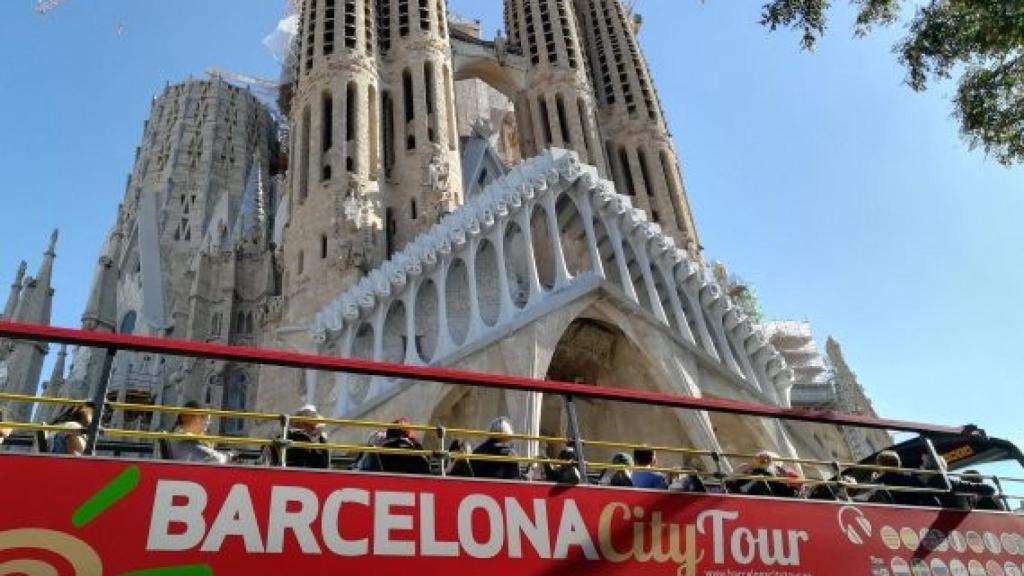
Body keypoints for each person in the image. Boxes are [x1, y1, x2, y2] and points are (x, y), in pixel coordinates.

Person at [866, 450, 938, 507]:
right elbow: (934, 502)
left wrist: (874, 481)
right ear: (898, 465)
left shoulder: (877, 484)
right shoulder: (913, 480)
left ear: (880, 466)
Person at [727, 451, 798, 498]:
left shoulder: (778, 480)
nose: (764, 462)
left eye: (766, 460)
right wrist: (751, 466)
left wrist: (782, 474)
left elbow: (793, 493)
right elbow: (728, 483)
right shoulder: (747, 472)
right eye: (762, 460)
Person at [284, 405, 330, 469]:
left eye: (308, 423)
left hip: (313, 472)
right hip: (295, 470)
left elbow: (324, 464)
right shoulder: (292, 435)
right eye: (303, 422)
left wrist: (315, 440)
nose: (305, 425)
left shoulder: (321, 438)